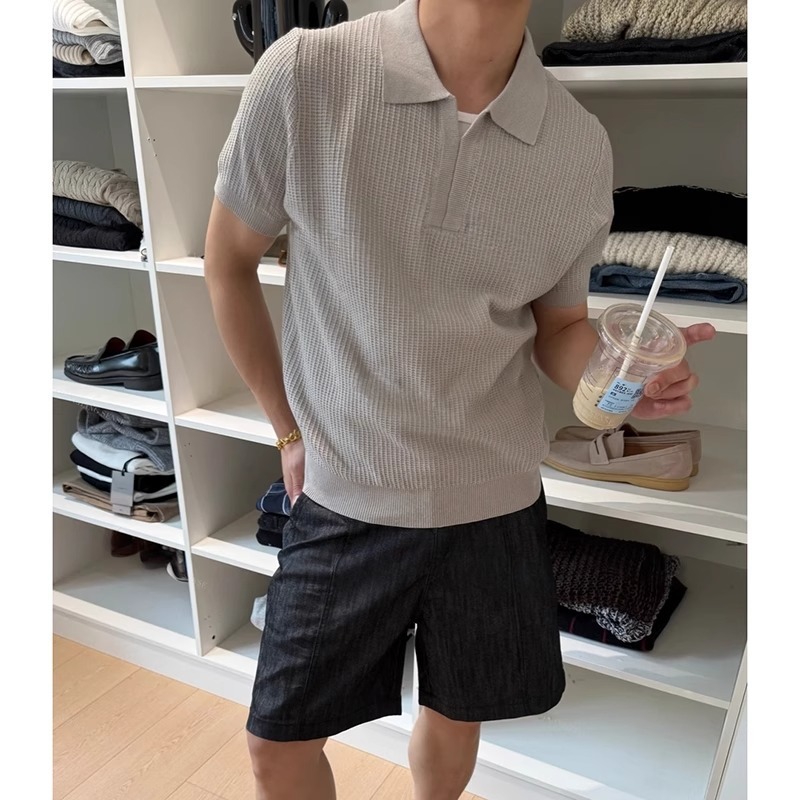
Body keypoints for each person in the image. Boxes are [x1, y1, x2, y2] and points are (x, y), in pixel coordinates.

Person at [204, 1, 715, 798]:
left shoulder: (576, 143)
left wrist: (623, 373)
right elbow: (227, 261)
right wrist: (286, 431)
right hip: (346, 493)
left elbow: (559, 327)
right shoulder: (307, 74)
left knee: (457, 711)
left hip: (495, 502)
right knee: (277, 741)